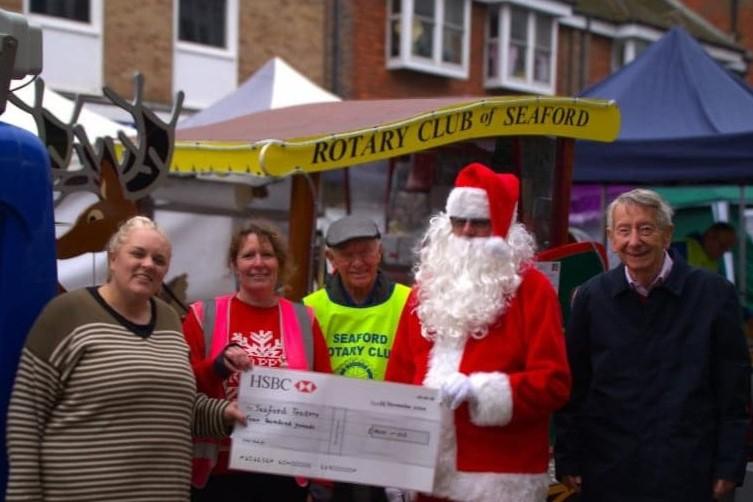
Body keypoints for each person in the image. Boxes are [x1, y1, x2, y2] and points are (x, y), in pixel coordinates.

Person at [5, 216, 245, 501]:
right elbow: (26, 418)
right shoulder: (67, 313)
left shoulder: (169, 319)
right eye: (138, 253)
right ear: (113, 257)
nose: (148, 265)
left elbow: (174, 405)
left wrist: (223, 414)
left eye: (159, 260)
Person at [385, 162, 571, 502]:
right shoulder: (424, 291)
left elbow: (554, 383)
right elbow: (397, 380)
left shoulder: (533, 291)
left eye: (480, 223)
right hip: (427, 479)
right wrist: (394, 464)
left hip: (497, 481)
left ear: (503, 228)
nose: (467, 231)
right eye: (459, 221)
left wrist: (482, 390)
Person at [554, 189, 751, 502]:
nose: (635, 241)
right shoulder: (592, 297)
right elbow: (574, 385)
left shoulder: (713, 295)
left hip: (688, 471)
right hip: (609, 471)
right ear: (611, 238)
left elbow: (733, 390)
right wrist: (568, 458)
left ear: (667, 234)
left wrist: (729, 466)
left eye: (646, 229)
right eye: (624, 230)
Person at [183, 219, 332, 501]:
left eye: (267, 254)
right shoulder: (201, 316)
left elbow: (325, 401)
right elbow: (182, 388)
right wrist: (216, 367)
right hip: (218, 476)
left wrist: (323, 482)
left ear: (280, 262)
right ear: (233, 264)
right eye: (248, 255)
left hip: (284, 475)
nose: (258, 263)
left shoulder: (305, 319)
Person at [304, 215, 411, 501]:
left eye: (365, 252)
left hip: (391, 442)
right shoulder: (310, 308)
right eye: (347, 255)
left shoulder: (410, 302)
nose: (358, 262)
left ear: (380, 252)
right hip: (329, 444)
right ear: (330, 258)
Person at [673, 221, 737, 273]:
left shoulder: (714, 266)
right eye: (722, 246)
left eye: (727, 249)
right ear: (710, 235)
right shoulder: (680, 249)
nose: (723, 252)